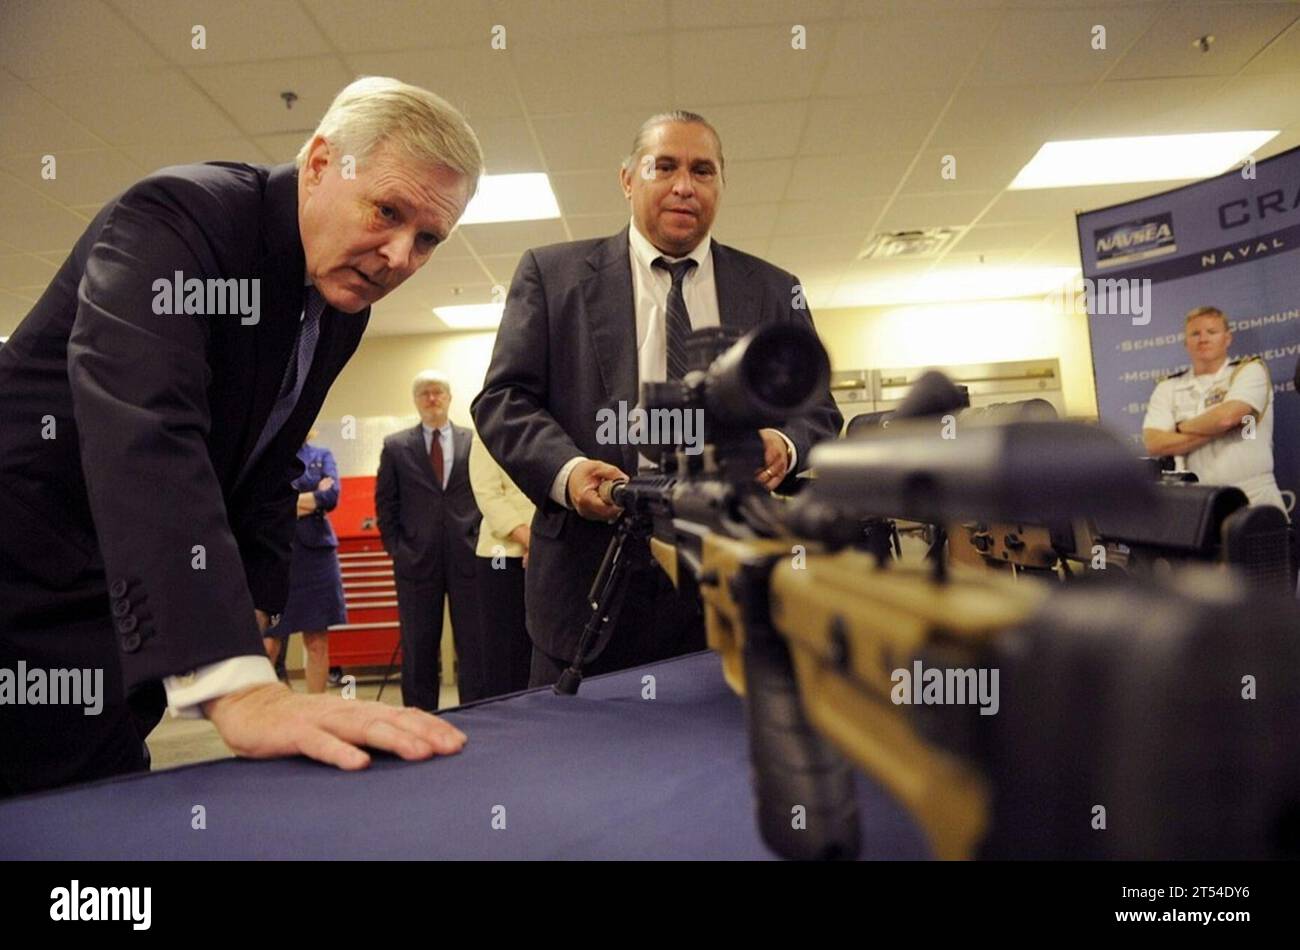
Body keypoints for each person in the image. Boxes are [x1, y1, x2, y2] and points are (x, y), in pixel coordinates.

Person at [0, 76, 481, 796]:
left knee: (101, 805)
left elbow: (266, 455)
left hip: (115, 610)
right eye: (387, 211)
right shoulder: (178, 216)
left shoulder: (339, 302)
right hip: (24, 582)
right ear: (320, 164)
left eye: (428, 239)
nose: (399, 258)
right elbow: (148, 432)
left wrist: (255, 594)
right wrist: (241, 686)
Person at [471, 111, 842, 687]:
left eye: (703, 170)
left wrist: (785, 444)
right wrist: (568, 473)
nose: (684, 185)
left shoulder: (773, 288)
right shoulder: (553, 275)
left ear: (721, 183)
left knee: (725, 766)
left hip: (731, 579)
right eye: (663, 166)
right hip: (588, 584)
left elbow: (817, 410)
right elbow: (503, 399)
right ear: (627, 179)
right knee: (581, 767)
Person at [375, 371, 484, 710]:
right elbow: (385, 504)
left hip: (469, 557)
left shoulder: (474, 441)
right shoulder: (395, 447)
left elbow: (485, 494)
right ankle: (420, 715)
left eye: (438, 393)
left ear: (449, 398)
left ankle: (477, 713)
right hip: (415, 562)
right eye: (424, 394)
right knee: (419, 644)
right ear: (416, 401)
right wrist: (397, 550)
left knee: (474, 644)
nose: (432, 399)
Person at [1143, 305, 1286, 513]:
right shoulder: (1168, 387)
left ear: (1227, 338)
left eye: (1211, 332)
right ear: (1185, 342)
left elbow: (1227, 418)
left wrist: (1180, 429)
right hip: (1200, 504)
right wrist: (1219, 430)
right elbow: (1154, 444)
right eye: (1195, 334)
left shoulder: (1249, 371)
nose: (1203, 339)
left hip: (1254, 496)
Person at [263, 434, 346, 694]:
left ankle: (317, 711)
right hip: (275, 554)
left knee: (317, 641)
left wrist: (289, 502)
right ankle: (267, 716)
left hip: (317, 557)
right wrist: (311, 497)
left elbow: (331, 496)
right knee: (269, 643)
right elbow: (263, 504)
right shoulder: (269, 457)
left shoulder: (322, 455)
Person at [468, 435, 535, 697]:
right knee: (505, 659)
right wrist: (532, 541)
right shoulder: (486, 432)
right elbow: (489, 495)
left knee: (540, 655)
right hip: (502, 559)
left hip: (550, 554)